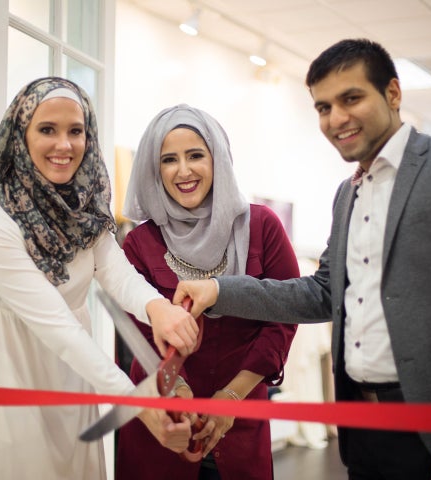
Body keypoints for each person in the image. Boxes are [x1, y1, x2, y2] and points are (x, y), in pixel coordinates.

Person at [174, 39, 431, 480]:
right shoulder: (348, 193)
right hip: (363, 427)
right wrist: (219, 290)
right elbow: (323, 291)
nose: (336, 118)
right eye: (323, 107)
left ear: (393, 94)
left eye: (351, 98)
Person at [0, 77, 199, 480]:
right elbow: (56, 325)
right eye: (47, 130)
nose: (64, 145)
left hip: (69, 377)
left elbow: (117, 273)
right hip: (8, 377)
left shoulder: (84, 212)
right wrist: (136, 401)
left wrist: (159, 310)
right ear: (20, 136)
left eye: (76, 131)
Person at [115, 104, 299, 480]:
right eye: (169, 159)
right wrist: (179, 393)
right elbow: (138, 333)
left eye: (196, 155)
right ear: (155, 169)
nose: (183, 171)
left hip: (243, 420)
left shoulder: (263, 227)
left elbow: (284, 318)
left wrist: (231, 398)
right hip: (165, 424)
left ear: (218, 159)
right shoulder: (139, 242)